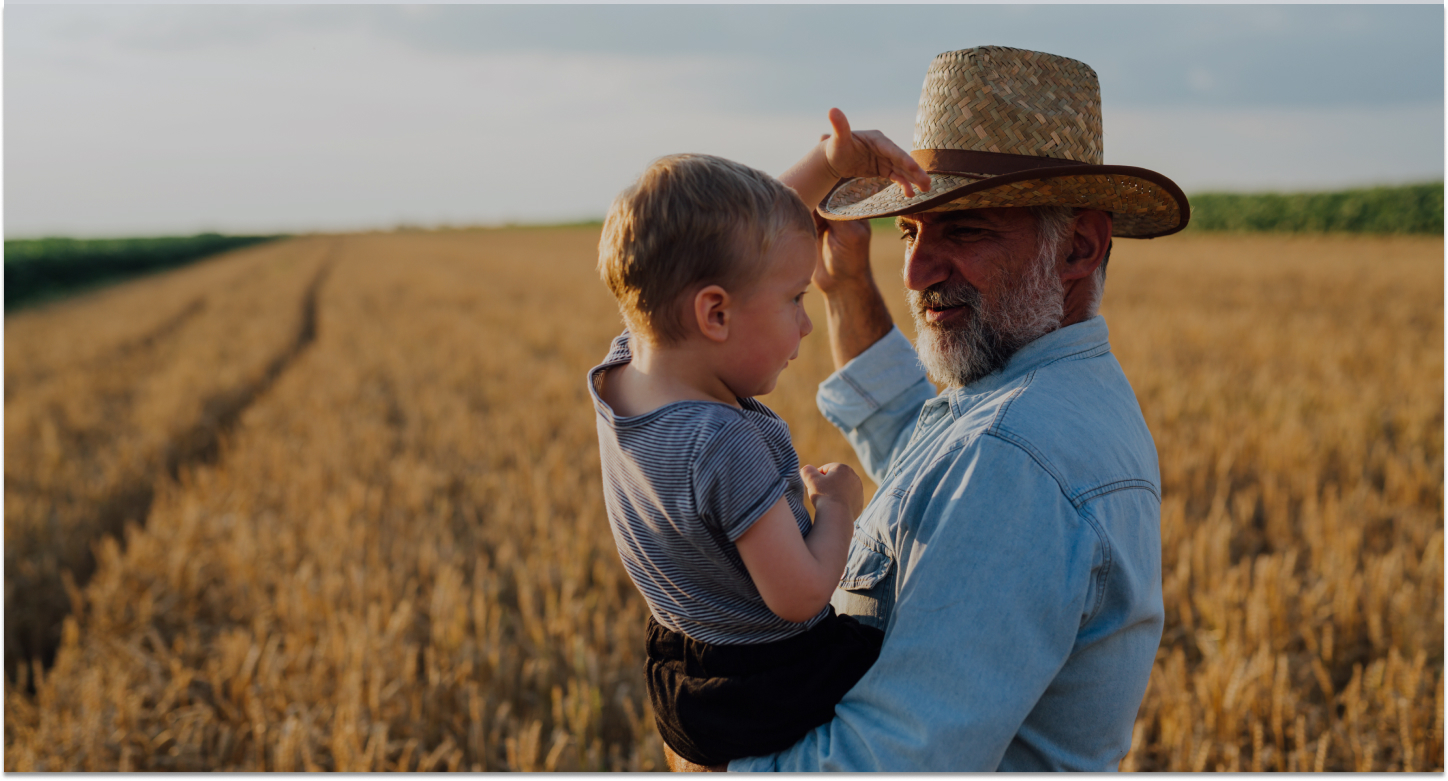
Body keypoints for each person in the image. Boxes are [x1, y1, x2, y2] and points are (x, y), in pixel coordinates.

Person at [723, 46, 1191, 771]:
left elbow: (888, 762)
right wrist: (845, 285)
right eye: (910, 229)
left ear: (1079, 247)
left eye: (964, 228)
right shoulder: (1042, 403)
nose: (913, 267)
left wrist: (711, 766)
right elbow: (923, 452)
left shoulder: (1016, 457)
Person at [586, 115, 932, 767]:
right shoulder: (723, 443)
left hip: (683, 666)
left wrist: (829, 164)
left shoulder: (627, 366)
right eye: (795, 298)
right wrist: (838, 505)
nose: (806, 322)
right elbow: (800, 594)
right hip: (769, 683)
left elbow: (731, 248)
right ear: (714, 313)